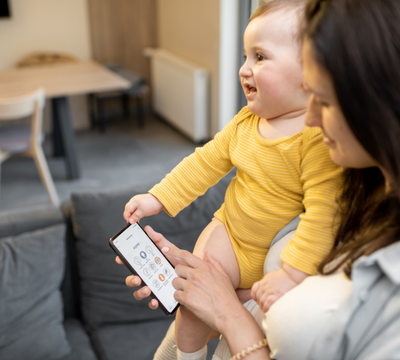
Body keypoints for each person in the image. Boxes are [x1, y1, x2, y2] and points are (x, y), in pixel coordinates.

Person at [122, 0, 400, 358]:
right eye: (245, 56)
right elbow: (204, 162)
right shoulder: (246, 123)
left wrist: (279, 280)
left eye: (260, 57)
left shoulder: (318, 149)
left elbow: (322, 213)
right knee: (187, 313)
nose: (244, 70)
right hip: (229, 233)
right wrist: (159, 198)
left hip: (259, 270)